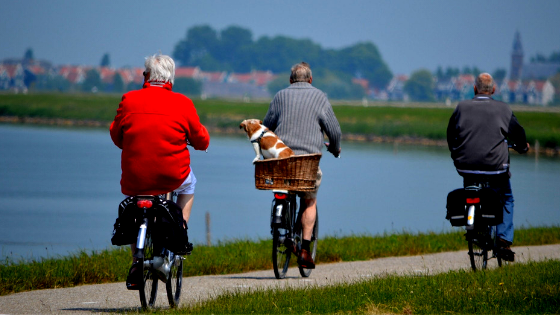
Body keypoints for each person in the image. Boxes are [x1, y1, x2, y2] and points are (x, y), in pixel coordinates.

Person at [110, 54, 210, 288]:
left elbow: (116, 135)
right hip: (171, 175)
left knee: (136, 205)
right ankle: (180, 233)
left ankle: (137, 261)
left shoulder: (129, 99)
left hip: (136, 177)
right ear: (170, 79)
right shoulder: (183, 103)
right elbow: (201, 139)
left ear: (146, 76)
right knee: (190, 184)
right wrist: (199, 143)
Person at [264, 62, 341, 269]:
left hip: (282, 162)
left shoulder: (280, 96)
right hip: (307, 163)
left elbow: (266, 128)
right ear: (310, 80)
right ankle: (305, 250)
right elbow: (334, 132)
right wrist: (335, 147)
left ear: (290, 80)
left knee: (283, 188)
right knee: (309, 201)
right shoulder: (320, 97)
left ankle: (281, 227)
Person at [446, 73, 529, 261]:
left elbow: (451, 134)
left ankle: (473, 225)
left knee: (471, 190)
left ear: (474, 89)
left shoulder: (461, 107)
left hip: (466, 166)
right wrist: (523, 148)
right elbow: (519, 133)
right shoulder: (503, 109)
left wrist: (455, 154)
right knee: (506, 198)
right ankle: (503, 241)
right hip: (495, 168)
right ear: (493, 90)